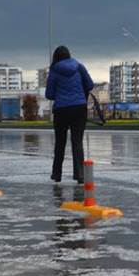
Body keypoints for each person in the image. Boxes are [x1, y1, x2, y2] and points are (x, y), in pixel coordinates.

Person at [45, 46, 94, 184]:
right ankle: (80, 175)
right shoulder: (79, 67)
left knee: (60, 143)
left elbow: (49, 94)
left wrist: (60, 95)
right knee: (77, 142)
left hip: (61, 110)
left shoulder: (54, 70)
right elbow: (90, 85)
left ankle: (57, 174)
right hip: (79, 108)